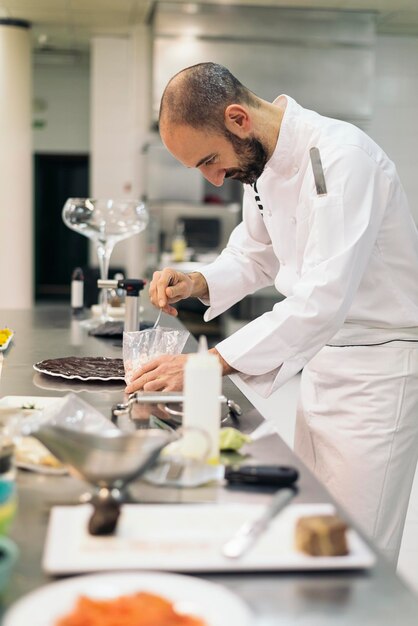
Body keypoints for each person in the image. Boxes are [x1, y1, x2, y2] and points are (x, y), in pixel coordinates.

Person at [126, 62, 418, 564]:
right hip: (324, 363)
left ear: (238, 118)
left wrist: (210, 362)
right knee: (312, 527)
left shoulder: (340, 159)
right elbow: (256, 253)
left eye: (210, 161)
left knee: (354, 551)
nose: (215, 177)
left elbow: (321, 299)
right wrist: (199, 280)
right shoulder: (263, 166)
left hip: (377, 375)